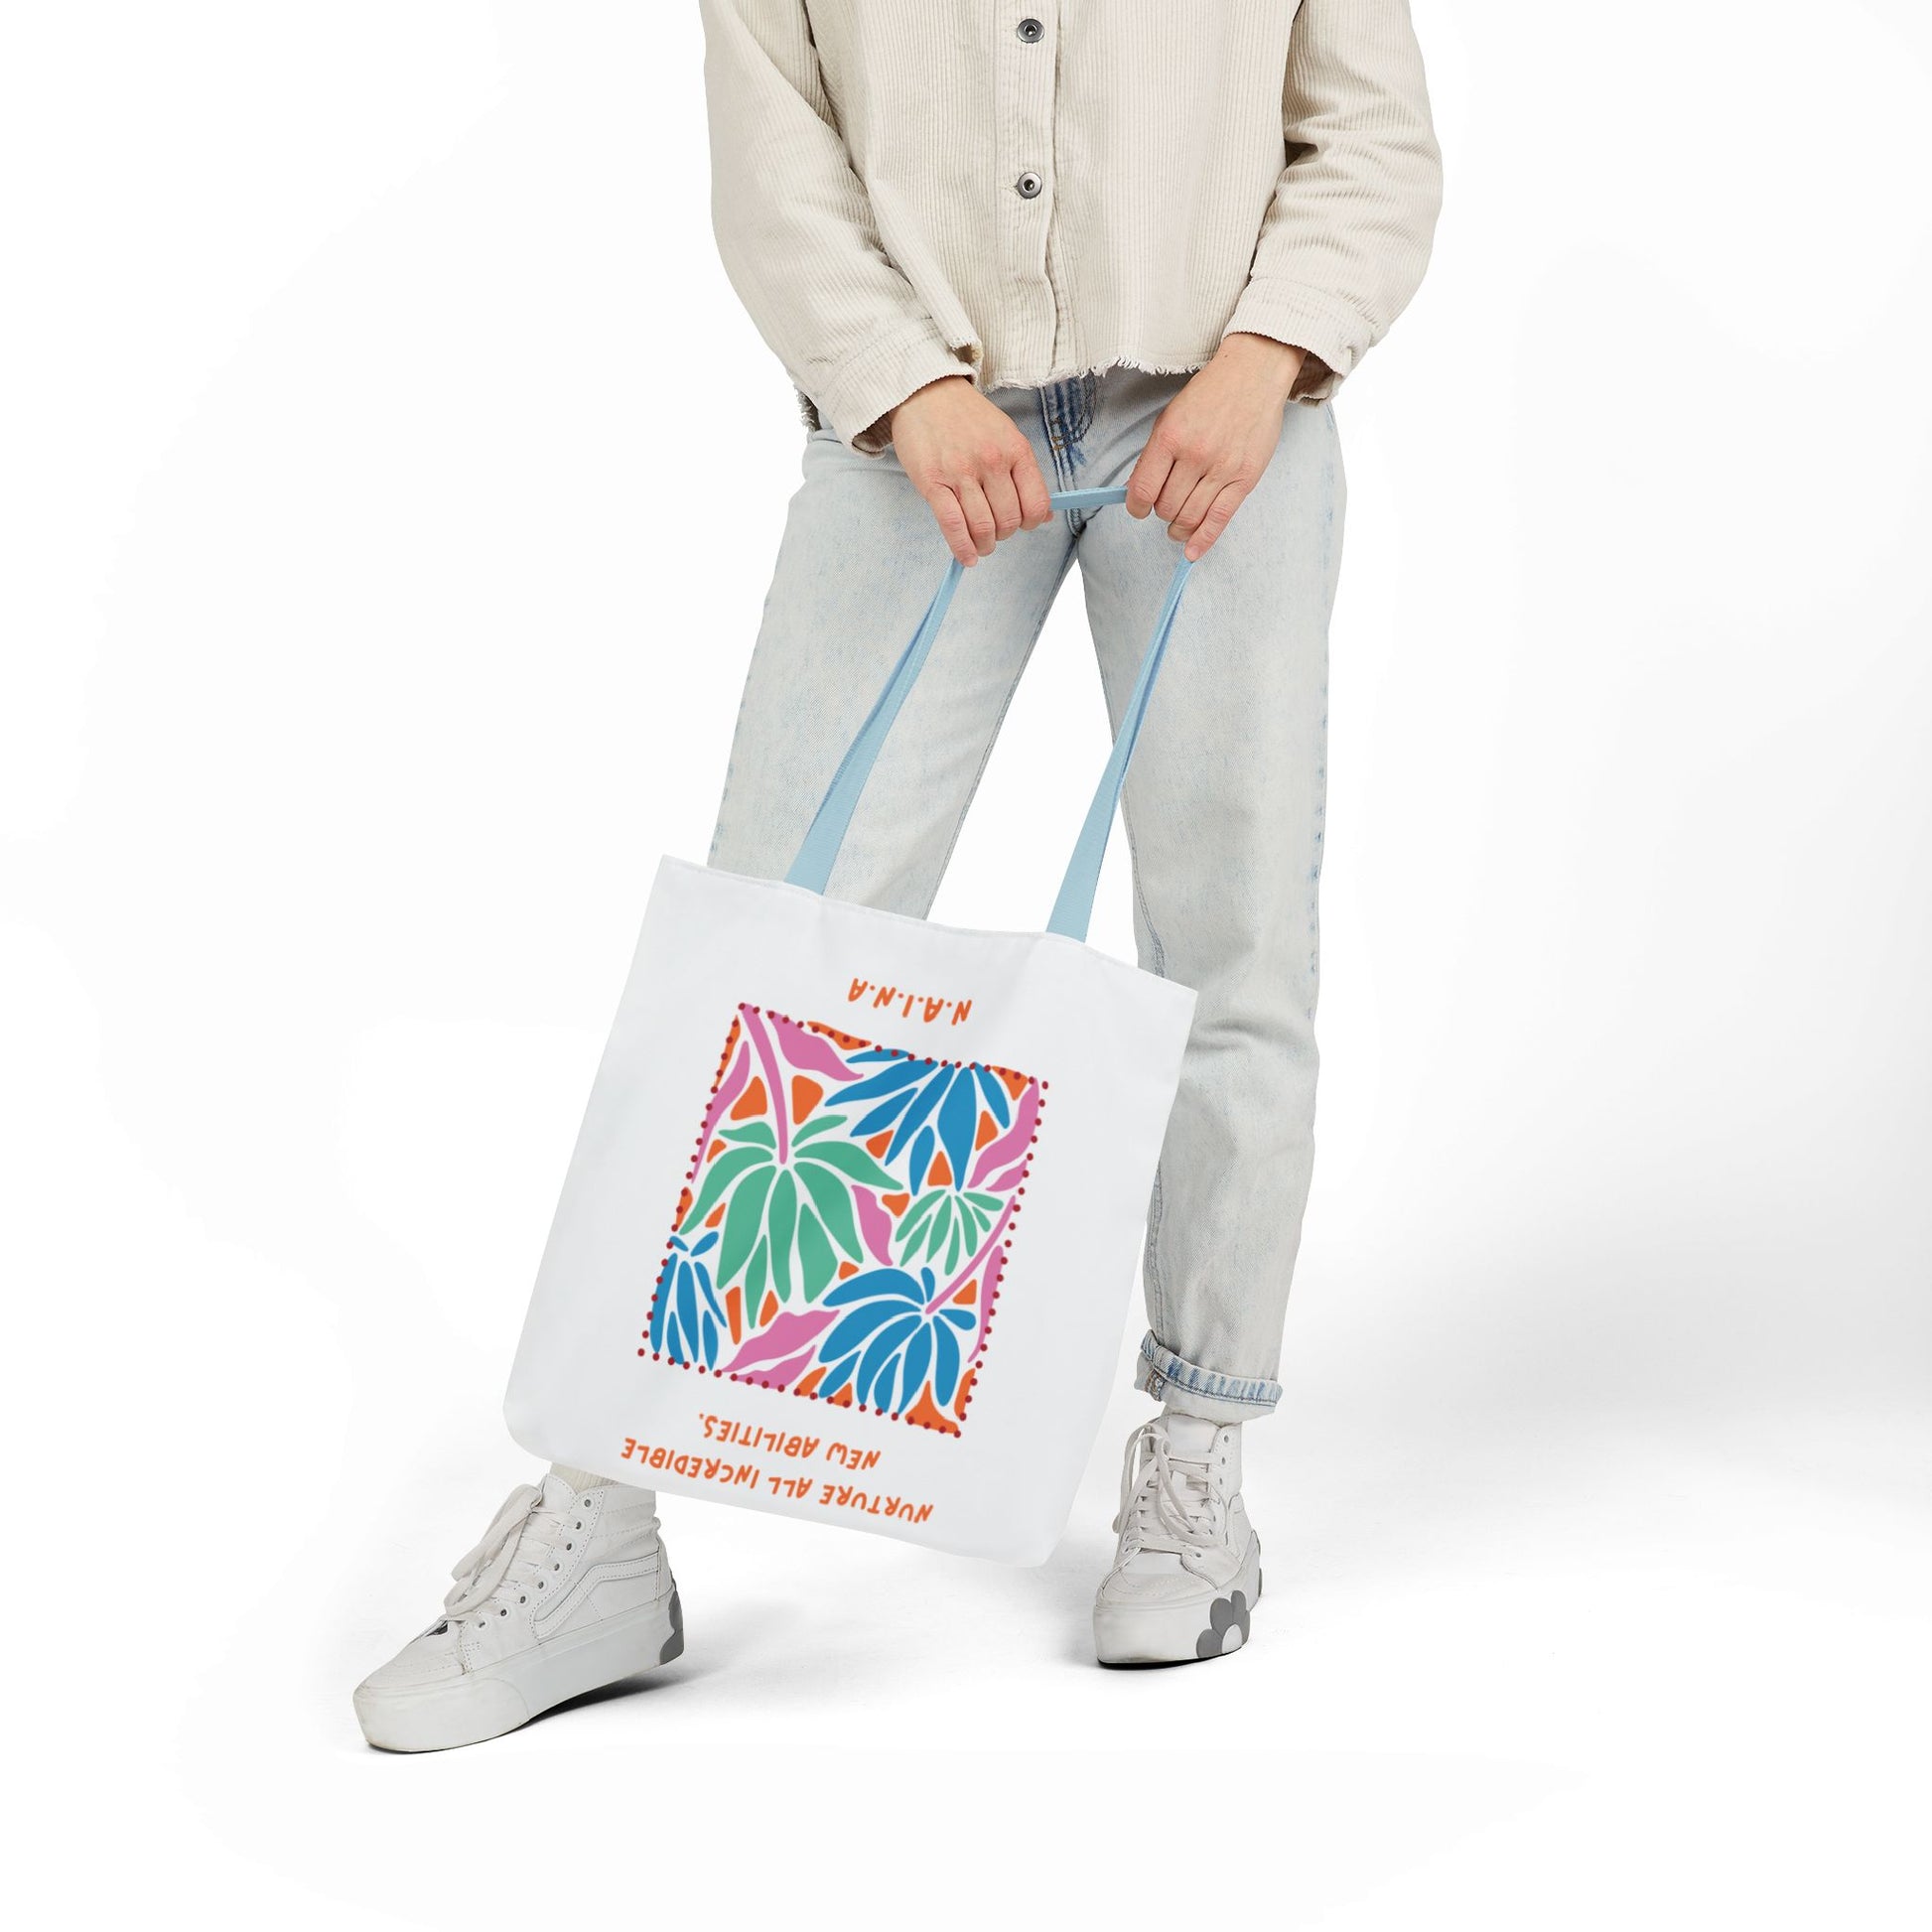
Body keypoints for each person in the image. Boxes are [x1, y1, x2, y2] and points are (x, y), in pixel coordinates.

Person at [354, 0, 1441, 1750]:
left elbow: (1368, 136)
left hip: (1220, 427)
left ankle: (1197, 1455)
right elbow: (772, 143)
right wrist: (899, 379)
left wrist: (1271, 355)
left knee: (1231, 950)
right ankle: (600, 1512)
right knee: (761, 968)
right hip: (911, 439)